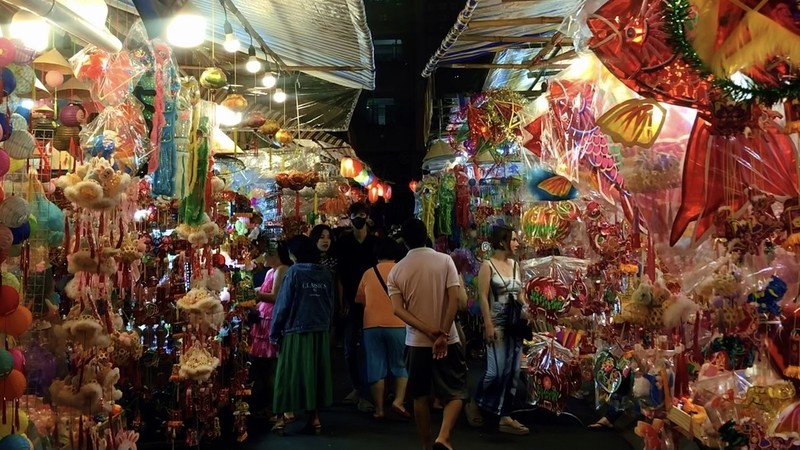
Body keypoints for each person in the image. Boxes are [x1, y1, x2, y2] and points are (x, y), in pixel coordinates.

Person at [387, 218, 465, 450]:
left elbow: (398, 309)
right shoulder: (445, 261)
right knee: (456, 392)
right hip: (448, 339)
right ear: (426, 236)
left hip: (416, 342)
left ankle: (426, 445)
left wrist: (427, 330)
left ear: (404, 241)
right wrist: (442, 332)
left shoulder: (397, 270)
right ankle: (444, 436)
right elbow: (454, 300)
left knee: (419, 395)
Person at [269, 235, 335, 436]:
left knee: (287, 374)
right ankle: (314, 418)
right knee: (314, 374)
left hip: (296, 331)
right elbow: (331, 303)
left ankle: (280, 419)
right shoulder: (326, 273)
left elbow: (283, 305)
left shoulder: (294, 272)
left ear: (295, 253)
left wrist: (274, 332)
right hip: (320, 330)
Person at [469, 225, 529, 435]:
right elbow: (483, 296)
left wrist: (528, 310)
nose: (516, 243)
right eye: (513, 239)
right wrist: (488, 324)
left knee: (512, 371)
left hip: (515, 323)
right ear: (502, 241)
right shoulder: (488, 265)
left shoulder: (514, 265)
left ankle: (504, 414)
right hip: (497, 321)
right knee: (495, 371)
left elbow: (519, 293)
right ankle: (478, 401)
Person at [355, 237, 409, 420]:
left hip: (371, 325)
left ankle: (379, 409)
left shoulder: (368, 273)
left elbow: (360, 299)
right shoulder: (402, 271)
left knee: (375, 365)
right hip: (398, 324)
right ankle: (398, 401)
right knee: (400, 364)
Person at [336, 202, 377, 411]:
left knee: (370, 348)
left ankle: (368, 392)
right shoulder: (343, 243)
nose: (358, 218)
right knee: (350, 349)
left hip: (373, 302)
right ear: (349, 217)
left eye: (362, 214)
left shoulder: (375, 243)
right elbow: (340, 276)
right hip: (351, 302)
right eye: (355, 215)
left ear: (367, 217)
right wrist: (342, 300)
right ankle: (356, 387)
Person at [250, 241, 292, 421]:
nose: (264, 257)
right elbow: (264, 289)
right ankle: (272, 406)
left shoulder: (282, 269)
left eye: (267, 254)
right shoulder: (270, 272)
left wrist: (255, 296)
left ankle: (279, 408)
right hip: (263, 320)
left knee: (273, 366)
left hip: (271, 320)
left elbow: (275, 296)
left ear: (275, 256)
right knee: (265, 367)